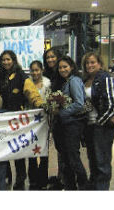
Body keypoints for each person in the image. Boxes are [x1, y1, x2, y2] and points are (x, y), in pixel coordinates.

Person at [0, 50, 43, 190]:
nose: (6, 62)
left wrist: (41, 104)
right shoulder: (0, 76)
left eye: (8, 59)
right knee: (9, 151)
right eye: (3, 60)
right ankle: (13, 178)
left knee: (22, 151)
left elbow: (31, 92)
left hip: (20, 121)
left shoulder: (22, 76)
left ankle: (25, 179)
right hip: (4, 119)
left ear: (14, 60)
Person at [82, 52, 114, 190]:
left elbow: (113, 103)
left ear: (99, 63)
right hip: (89, 126)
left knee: (102, 163)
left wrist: (100, 122)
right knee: (93, 162)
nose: (89, 65)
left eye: (92, 62)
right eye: (87, 63)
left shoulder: (105, 78)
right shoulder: (85, 81)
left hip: (102, 126)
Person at [51, 56, 88, 190]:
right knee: (66, 158)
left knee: (73, 158)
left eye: (65, 66)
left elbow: (79, 104)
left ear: (72, 67)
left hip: (73, 125)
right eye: (60, 67)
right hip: (64, 125)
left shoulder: (74, 81)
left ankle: (84, 186)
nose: (62, 69)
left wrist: (61, 113)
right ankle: (70, 186)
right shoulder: (64, 82)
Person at [43, 47, 65, 189]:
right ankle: (60, 176)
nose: (50, 59)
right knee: (59, 147)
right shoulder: (47, 74)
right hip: (53, 118)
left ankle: (64, 179)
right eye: (48, 57)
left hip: (65, 117)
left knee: (64, 149)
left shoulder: (63, 74)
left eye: (53, 56)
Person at [29, 60, 51, 190]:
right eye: (32, 70)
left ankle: (42, 179)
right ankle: (32, 178)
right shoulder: (27, 82)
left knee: (43, 150)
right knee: (31, 150)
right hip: (31, 121)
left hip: (44, 121)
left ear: (41, 70)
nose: (35, 72)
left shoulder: (47, 83)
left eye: (37, 70)